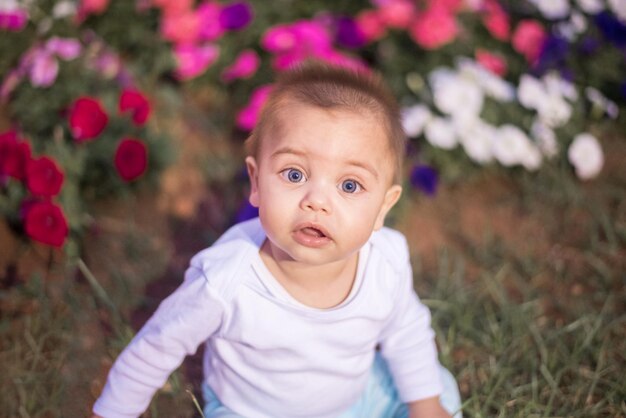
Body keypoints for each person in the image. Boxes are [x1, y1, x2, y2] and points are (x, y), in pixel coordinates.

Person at [92, 61, 462, 418]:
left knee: (437, 387)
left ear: (384, 206)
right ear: (256, 183)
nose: (316, 201)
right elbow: (157, 346)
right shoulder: (226, 279)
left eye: (349, 185)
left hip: (356, 399)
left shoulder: (386, 261)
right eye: (295, 174)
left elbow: (406, 330)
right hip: (253, 411)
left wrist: (424, 405)